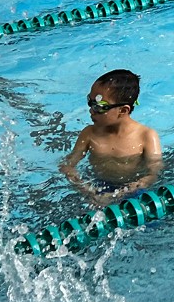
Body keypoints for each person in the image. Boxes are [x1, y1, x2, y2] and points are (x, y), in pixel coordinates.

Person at [60, 69, 161, 204]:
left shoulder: (147, 136)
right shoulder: (89, 134)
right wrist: (88, 191)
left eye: (99, 106)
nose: (91, 110)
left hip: (133, 191)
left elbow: (153, 173)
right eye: (90, 102)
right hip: (97, 188)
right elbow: (67, 165)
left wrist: (122, 193)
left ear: (123, 110)